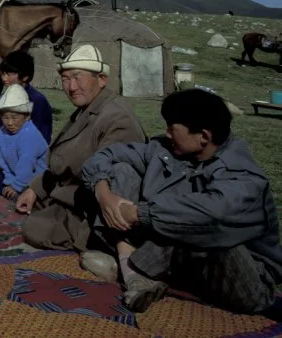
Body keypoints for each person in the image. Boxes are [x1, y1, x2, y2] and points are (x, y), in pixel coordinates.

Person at [81, 89, 282, 314]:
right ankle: (133, 268)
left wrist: (140, 213)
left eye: (173, 129)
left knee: (193, 220)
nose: (167, 134)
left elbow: (210, 214)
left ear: (204, 137)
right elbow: (105, 156)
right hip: (188, 264)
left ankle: (131, 268)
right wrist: (103, 193)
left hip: (246, 279)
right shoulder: (166, 150)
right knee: (122, 170)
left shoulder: (244, 176)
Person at [16, 44, 146, 251]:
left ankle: (106, 248)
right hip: (68, 196)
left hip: (89, 210)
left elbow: (115, 182)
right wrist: (35, 189)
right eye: (66, 79)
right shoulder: (87, 110)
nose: (71, 86)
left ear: (101, 79)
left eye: (77, 78)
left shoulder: (117, 118)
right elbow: (63, 160)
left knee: (35, 230)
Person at [0, 50, 52, 193]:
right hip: (7, 158)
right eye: (3, 74)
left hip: (29, 161)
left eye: (10, 74)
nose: (4, 78)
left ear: (25, 76)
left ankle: (22, 187)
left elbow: (40, 139)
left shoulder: (38, 101)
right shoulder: (6, 97)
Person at [0, 84, 48, 200]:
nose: (10, 123)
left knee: (16, 194)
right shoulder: (3, 132)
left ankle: (20, 193)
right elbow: (3, 160)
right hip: (13, 175)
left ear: (26, 116)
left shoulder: (29, 134)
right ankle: (11, 190)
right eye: (5, 118)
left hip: (35, 179)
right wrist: (9, 182)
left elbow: (26, 166)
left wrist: (16, 186)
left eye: (15, 118)